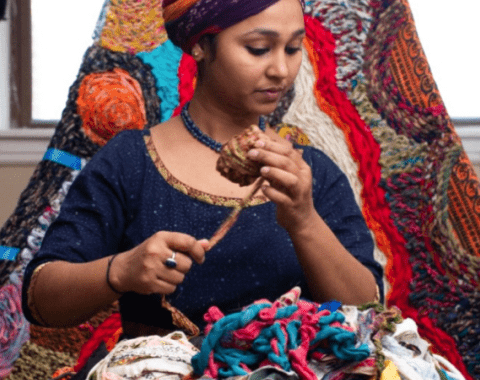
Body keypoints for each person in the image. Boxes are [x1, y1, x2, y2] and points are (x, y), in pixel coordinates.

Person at [21, 0, 383, 339]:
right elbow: (41, 299)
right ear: (201, 45)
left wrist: (304, 221)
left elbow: (367, 310)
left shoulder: (308, 174)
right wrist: (121, 271)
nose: (281, 70)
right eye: (258, 48)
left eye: (292, 48)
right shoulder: (132, 162)